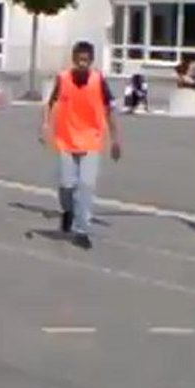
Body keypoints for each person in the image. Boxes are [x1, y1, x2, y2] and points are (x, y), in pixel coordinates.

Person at [41, 41, 122, 250]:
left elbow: (109, 110)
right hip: (66, 140)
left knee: (86, 186)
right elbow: (50, 103)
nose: (82, 64)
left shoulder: (98, 80)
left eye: (85, 60)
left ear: (91, 61)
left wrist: (115, 139)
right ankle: (68, 211)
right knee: (67, 186)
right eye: (79, 60)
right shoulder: (63, 78)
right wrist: (45, 125)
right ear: (73, 60)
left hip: (91, 140)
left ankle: (81, 230)